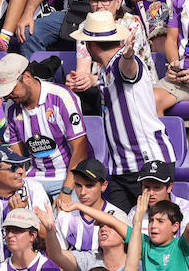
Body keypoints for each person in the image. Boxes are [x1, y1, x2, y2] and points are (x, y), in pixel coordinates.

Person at [70, 11, 176, 207]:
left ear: (90, 45)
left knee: (154, 226)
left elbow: (129, 70)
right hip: (120, 167)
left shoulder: (121, 61)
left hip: (147, 162)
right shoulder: (105, 68)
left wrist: (129, 55)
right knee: (117, 231)